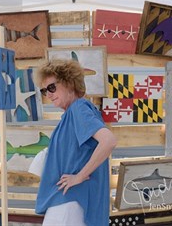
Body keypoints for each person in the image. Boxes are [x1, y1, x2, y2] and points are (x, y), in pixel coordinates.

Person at [34, 59, 117, 226]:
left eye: (52, 87)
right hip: (71, 201)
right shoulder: (73, 114)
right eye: (44, 91)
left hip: (70, 201)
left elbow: (108, 141)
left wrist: (80, 176)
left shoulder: (79, 109)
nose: (48, 94)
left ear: (70, 83)